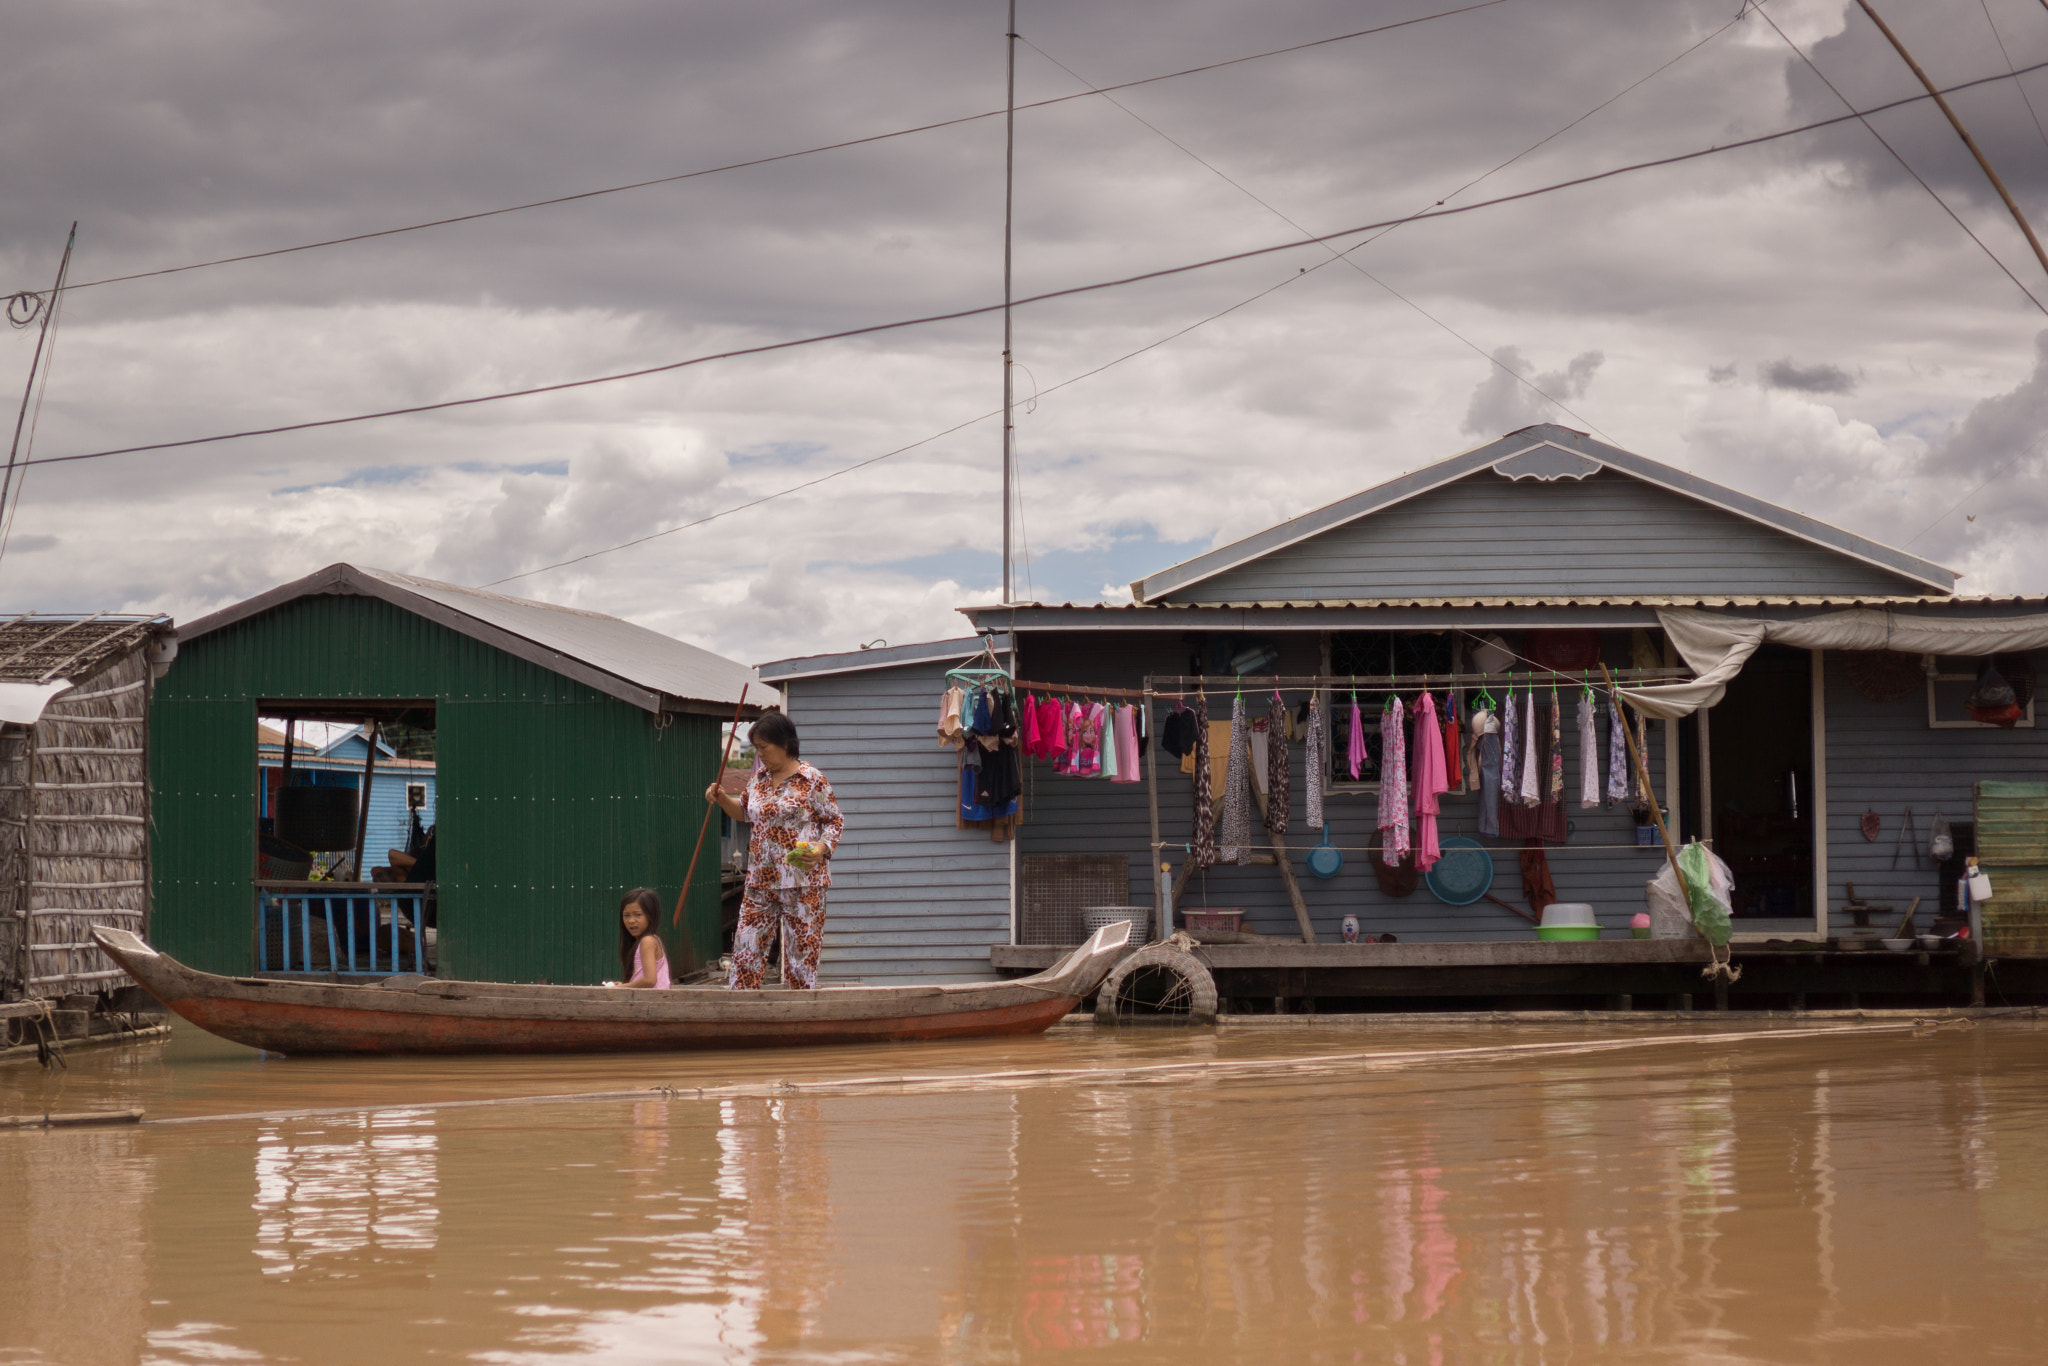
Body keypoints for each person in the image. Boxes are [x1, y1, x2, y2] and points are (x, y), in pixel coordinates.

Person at [705, 711, 843, 989]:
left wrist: (819, 848)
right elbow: (744, 813)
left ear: (786, 744)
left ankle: (798, 1017)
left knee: (801, 956)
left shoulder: (812, 780)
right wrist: (721, 798)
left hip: (804, 882)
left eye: (765, 748)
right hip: (761, 881)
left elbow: (834, 821)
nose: (761, 754)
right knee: (746, 949)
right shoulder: (759, 779)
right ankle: (742, 1014)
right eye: (757, 748)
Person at [608, 887, 671, 989]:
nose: (631, 920)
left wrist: (622, 987)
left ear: (651, 916)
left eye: (638, 915)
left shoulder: (647, 941)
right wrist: (624, 985)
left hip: (653, 1002)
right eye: (626, 915)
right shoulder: (646, 941)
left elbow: (649, 980)